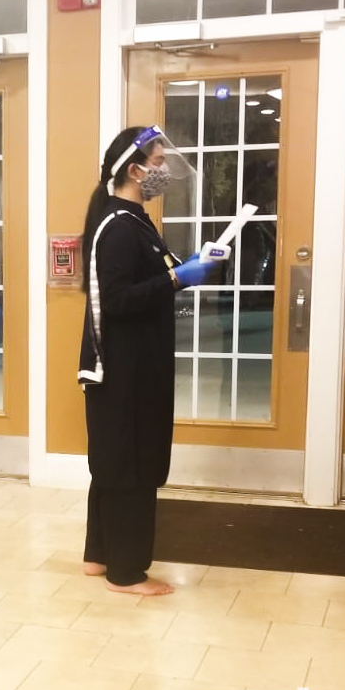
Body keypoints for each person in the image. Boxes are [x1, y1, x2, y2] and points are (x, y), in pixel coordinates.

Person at [78, 126, 220, 596]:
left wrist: (185, 267)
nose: (163, 170)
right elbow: (117, 300)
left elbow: (149, 279)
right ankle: (126, 571)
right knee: (130, 465)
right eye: (157, 161)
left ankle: (99, 555)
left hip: (137, 365)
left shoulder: (134, 221)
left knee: (116, 463)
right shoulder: (118, 227)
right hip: (125, 371)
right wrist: (179, 280)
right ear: (135, 171)